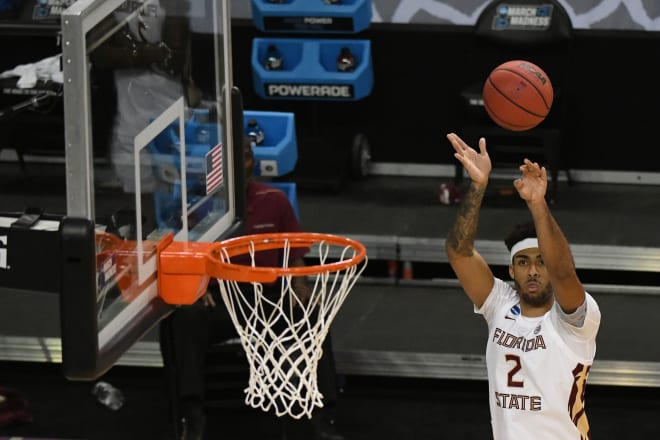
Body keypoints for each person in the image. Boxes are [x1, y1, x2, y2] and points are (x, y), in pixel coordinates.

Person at [160, 136, 347, 440]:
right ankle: (190, 414)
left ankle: (323, 416)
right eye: (233, 157)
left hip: (267, 299)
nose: (240, 161)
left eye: (246, 155)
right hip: (219, 300)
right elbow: (185, 257)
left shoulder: (274, 200)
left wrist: (299, 285)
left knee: (314, 316)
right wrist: (195, 286)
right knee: (183, 318)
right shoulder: (198, 207)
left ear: (253, 162)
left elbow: (296, 255)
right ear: (217, 167)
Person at [444, 132, 601, 439]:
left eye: (542, 262)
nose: (533, 271)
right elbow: (458, 252)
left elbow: (565, 275)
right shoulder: (499, 304)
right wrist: (477, 186)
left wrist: (538, 203)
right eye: (524, 262)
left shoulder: (576, 321)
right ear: (511, 271)